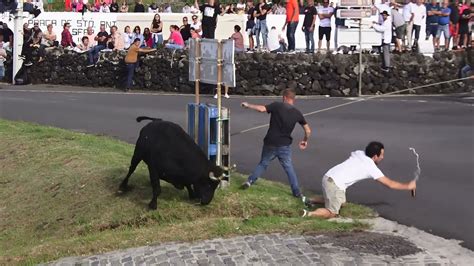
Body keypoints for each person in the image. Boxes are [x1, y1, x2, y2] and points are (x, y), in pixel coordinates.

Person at [302, 141, 417, 219]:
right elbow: (390, 184)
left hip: (328, 176)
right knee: (332, 213)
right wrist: (408, 186)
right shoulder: (371, 167)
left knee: (342, 203)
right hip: (335, 184)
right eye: (381, 155)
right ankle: (308, 214)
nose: (383, 157)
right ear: (375, 156)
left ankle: (308, 200)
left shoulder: (359, 153)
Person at [240, 88, 312, 198]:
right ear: (293, 99)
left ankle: (250, 181)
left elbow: (261, 109)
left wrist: (248, 105)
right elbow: (308, 130)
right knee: (288, 168)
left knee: (263, 163)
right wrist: (304, 141)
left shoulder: (277, 106)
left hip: (270, 142)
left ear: (284, 97)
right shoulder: (297, 113)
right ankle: (296, 192)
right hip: (284, 145)